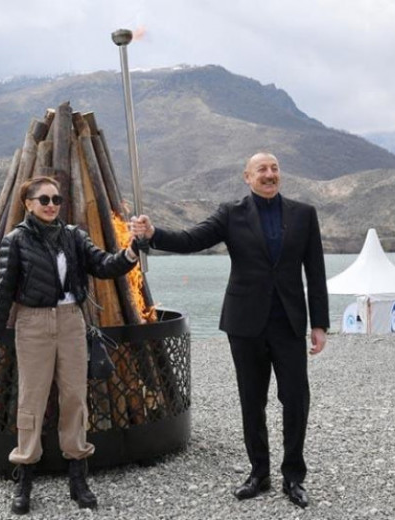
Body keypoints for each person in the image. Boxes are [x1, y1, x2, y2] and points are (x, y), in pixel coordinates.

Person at [131, 152, 329, 509]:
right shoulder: (231, 213)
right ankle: (259, 473)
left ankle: (293, 476)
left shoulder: (304, 214)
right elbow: (191, 239)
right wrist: (153, 234)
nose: (269, 174)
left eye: (274, 168)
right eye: (261, 170)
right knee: (252, 400)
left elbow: (315, 272)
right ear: (247, 177)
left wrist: (319, 324)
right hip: (245, 323)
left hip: (288, 323)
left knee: (296, 399)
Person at [0, 176, 140, 514]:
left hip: (71, 321)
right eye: (44, 199)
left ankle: (78, 475)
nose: (51, 205)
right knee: (32, 398)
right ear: (28, 204)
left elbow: (103, 265)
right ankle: (25, 474)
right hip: (33, 323)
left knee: (74, 397)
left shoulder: (74, 236)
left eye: (56, 199)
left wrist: (130, 253)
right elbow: (2, 292)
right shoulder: (16, 240)